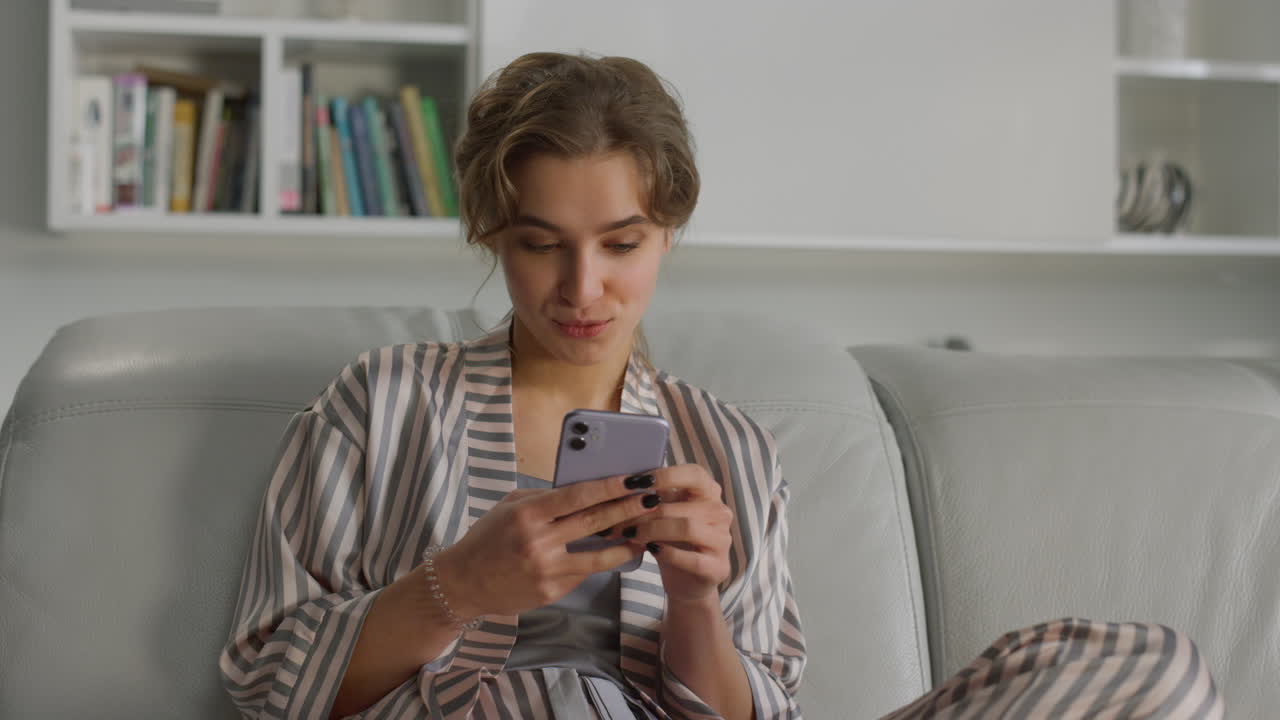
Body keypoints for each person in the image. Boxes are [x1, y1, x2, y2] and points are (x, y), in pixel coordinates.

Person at [219, 52, 1223, 719]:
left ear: (668, 232)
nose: (582, 289)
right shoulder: (380, 403)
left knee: (1152, 672)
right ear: (489, 234)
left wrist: (697, 604)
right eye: (539, 246)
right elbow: (267, 677)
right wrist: (455, 589)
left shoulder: (727, 450)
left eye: (621, 244)